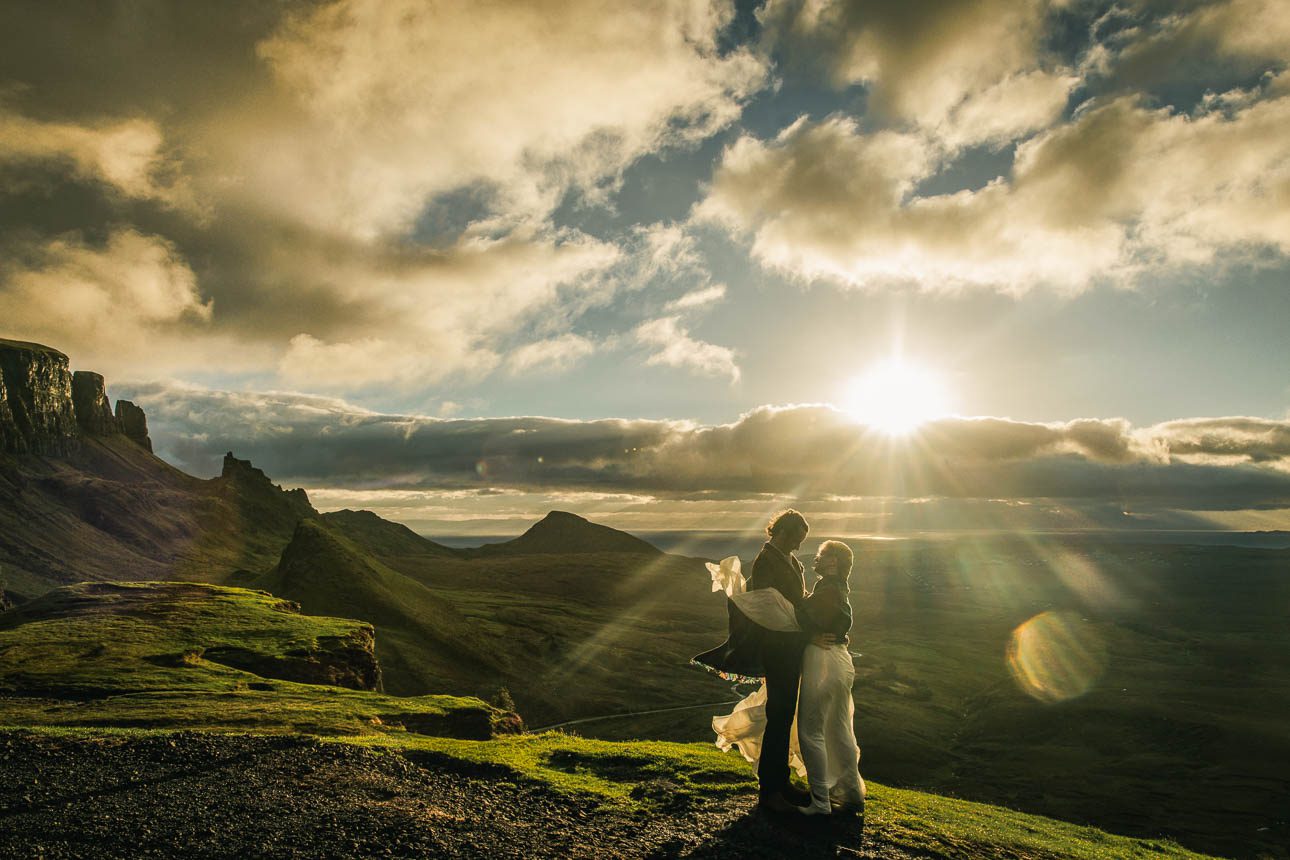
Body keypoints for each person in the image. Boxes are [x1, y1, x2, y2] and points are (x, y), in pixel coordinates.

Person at [692, 510, 853, 813]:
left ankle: (780, 781)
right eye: (797, 539)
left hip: (790, 649)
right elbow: (769, 608)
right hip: (777, 649)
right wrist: (810, 634)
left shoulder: (789, 560)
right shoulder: (766, 562)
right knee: (779, 715)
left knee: (783, 716)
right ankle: (770, 790)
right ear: (783, 533)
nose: (799, 546)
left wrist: (817, 629)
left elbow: (796, 604)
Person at [795, 540, 865, 814]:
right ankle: (851, 794)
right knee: (839, 729)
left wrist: (807, 633)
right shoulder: (840, 589)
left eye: (823, 555)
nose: (818, 558)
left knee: (810, 730)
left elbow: (800, 616)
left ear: (833, 562)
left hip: (822, 659)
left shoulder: (827, 590)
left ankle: (820, 801)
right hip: (840, 659)